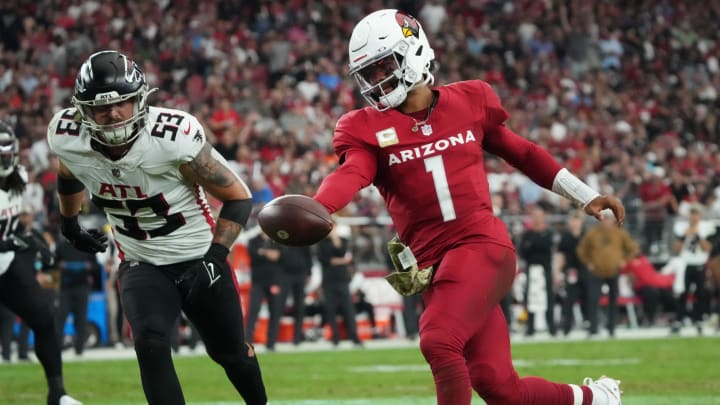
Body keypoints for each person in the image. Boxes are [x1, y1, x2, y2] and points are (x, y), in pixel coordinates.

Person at [309, 9, 625, 405]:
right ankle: (597, 397)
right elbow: (352, 173)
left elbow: (523, 153)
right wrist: (319, 206)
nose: (376, 81)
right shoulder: (363, 127)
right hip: (435, 266)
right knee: (499, 387)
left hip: (481, 246)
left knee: (439, 341)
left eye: (383, 67)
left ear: (414, 53)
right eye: (368, 74)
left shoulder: (469, 100)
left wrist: (586, 195)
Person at [47, 50, 267, 405]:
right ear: (82, 110)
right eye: (101, 107)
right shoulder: (68, 136)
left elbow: (239, 198)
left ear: (141, 100)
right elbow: (68, 172)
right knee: (149, 343)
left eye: (122, 103)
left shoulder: (172, 137)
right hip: (141, 261)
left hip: (198, 258)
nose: (113, 113)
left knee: (231, 355)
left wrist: (215, 256)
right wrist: (69, 223)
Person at [0, 121, 82, 404]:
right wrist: (9, 243)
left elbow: (16, 225)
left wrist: (36, 243)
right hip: (6, 253)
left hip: (7, 265)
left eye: (7, 151)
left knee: (44, 320)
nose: (5, 157)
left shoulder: (18, 178)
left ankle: (57, 393)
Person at [576, 210, 638, 338]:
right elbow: (581, 250)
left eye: (609, 219)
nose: (606, 221)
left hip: (614, 271)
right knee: (593, 300)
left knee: (613, 301)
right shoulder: (592, 234)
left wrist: (624, 261)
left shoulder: (620, 234)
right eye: (604, 219)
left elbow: (632, 248)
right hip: (596, 272)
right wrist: (588, 262)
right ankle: (593, 328)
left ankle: (611, 328)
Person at [316, 225, 362, 347]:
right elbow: (324, 259)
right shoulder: (321, 242)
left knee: (348, 309)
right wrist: (340, 260)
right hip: (328, 281)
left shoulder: (343, 240)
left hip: (342, 280)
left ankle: (354, 337)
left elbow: (343, 252)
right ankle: (334, 338)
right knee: (330, 310)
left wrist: (335, 239)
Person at [671, 203, 713, 334]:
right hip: (686, 265)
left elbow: (708, 248)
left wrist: (698, 236)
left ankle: (699, 320)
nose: (694, 217)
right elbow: (676, 250)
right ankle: (679, 320)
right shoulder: (682, 228)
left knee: (700, 294)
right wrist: (684, 236)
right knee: (682, 293)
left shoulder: (706, 227)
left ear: (700, 215)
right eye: (692, 214)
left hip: (700, 265)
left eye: (696, 214)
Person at [54, 236, 98, 356]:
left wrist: (69, 266)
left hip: (81, 287)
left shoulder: (86, 245)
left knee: (81, 319)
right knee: (61, 318)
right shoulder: (61, 246)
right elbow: (55, 263)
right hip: (65, 288)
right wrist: (83, 266)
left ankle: (79, 348)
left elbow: (95, 266)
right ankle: (58, 347)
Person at [519, 206, 556, 337]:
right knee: (530, 297)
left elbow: (548, 250)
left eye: (539, 216)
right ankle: (530, 328)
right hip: (531, 269)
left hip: (545, 269)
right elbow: (523, 252)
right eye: (534, 216)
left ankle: (551, 327)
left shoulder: (549, 232)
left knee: (549, 297)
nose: (537, 218)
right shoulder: (527, 234)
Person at [245, 231, 282, 350]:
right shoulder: (253, 240)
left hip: (274, 282)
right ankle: (247, 342)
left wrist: (263, 252)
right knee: (253, 312)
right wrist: (269, 254)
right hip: (258, 283)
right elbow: (254, 255)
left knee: (275, 313)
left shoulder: (277, 240)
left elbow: (279, 256)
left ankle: (271, 343)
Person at [557, 210, 591, 336]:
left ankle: (589, 322)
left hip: (585, 269)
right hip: (571, 270)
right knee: (569, 298)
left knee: (587, 296)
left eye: (578, 220)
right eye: (573, 220)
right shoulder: (565, 237)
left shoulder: (586, 236)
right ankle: (567, 326)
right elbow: (561, 255)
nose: (575, 223)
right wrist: (558, 272)